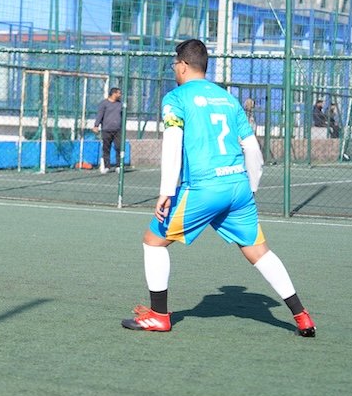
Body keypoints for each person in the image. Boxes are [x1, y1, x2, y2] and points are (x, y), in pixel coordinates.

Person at [121, 39, 315, 337]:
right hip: (238, 186)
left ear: (183, 65)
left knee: (153, 241)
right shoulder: (228, 99)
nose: (174, 69)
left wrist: (166, 190)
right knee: (259, 252)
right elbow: (253, 149)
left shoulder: (176, 97)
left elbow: (172, 142)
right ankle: (302, 315)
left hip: (204, 188)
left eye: (174, 64)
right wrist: (250, 188)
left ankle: (159, 316)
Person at [93, 87, 124, 174]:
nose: (120, 95)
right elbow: (100, 115)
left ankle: (118, 166)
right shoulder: (104, 103)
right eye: (119, 93)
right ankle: (107, 166)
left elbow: (122, 115)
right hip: (106, 129)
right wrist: (96, 125)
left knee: (119, 147)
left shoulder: (120, 104)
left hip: (117, 130)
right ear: (114, 94)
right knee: (106, 148)